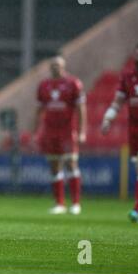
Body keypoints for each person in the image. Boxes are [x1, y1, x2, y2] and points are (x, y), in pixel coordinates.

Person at [102, 43, 138, 224]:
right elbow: (118, 101)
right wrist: (108, 118)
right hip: (134, 128)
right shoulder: (128, 77)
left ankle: (136, 209)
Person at [33, 56, 87, 215]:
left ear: (64, 66)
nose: (56, 67)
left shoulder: (73, 84)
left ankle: (76, 203)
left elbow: (81, 109)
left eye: (58, 65)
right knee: (54, 166)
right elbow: (39, 111)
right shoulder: (44, 85)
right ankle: (60, 203)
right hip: (50, 130)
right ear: (50, 67)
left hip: (67, 130)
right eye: (53, 65)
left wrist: (82, 131)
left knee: (71, 163)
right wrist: (36, 132)